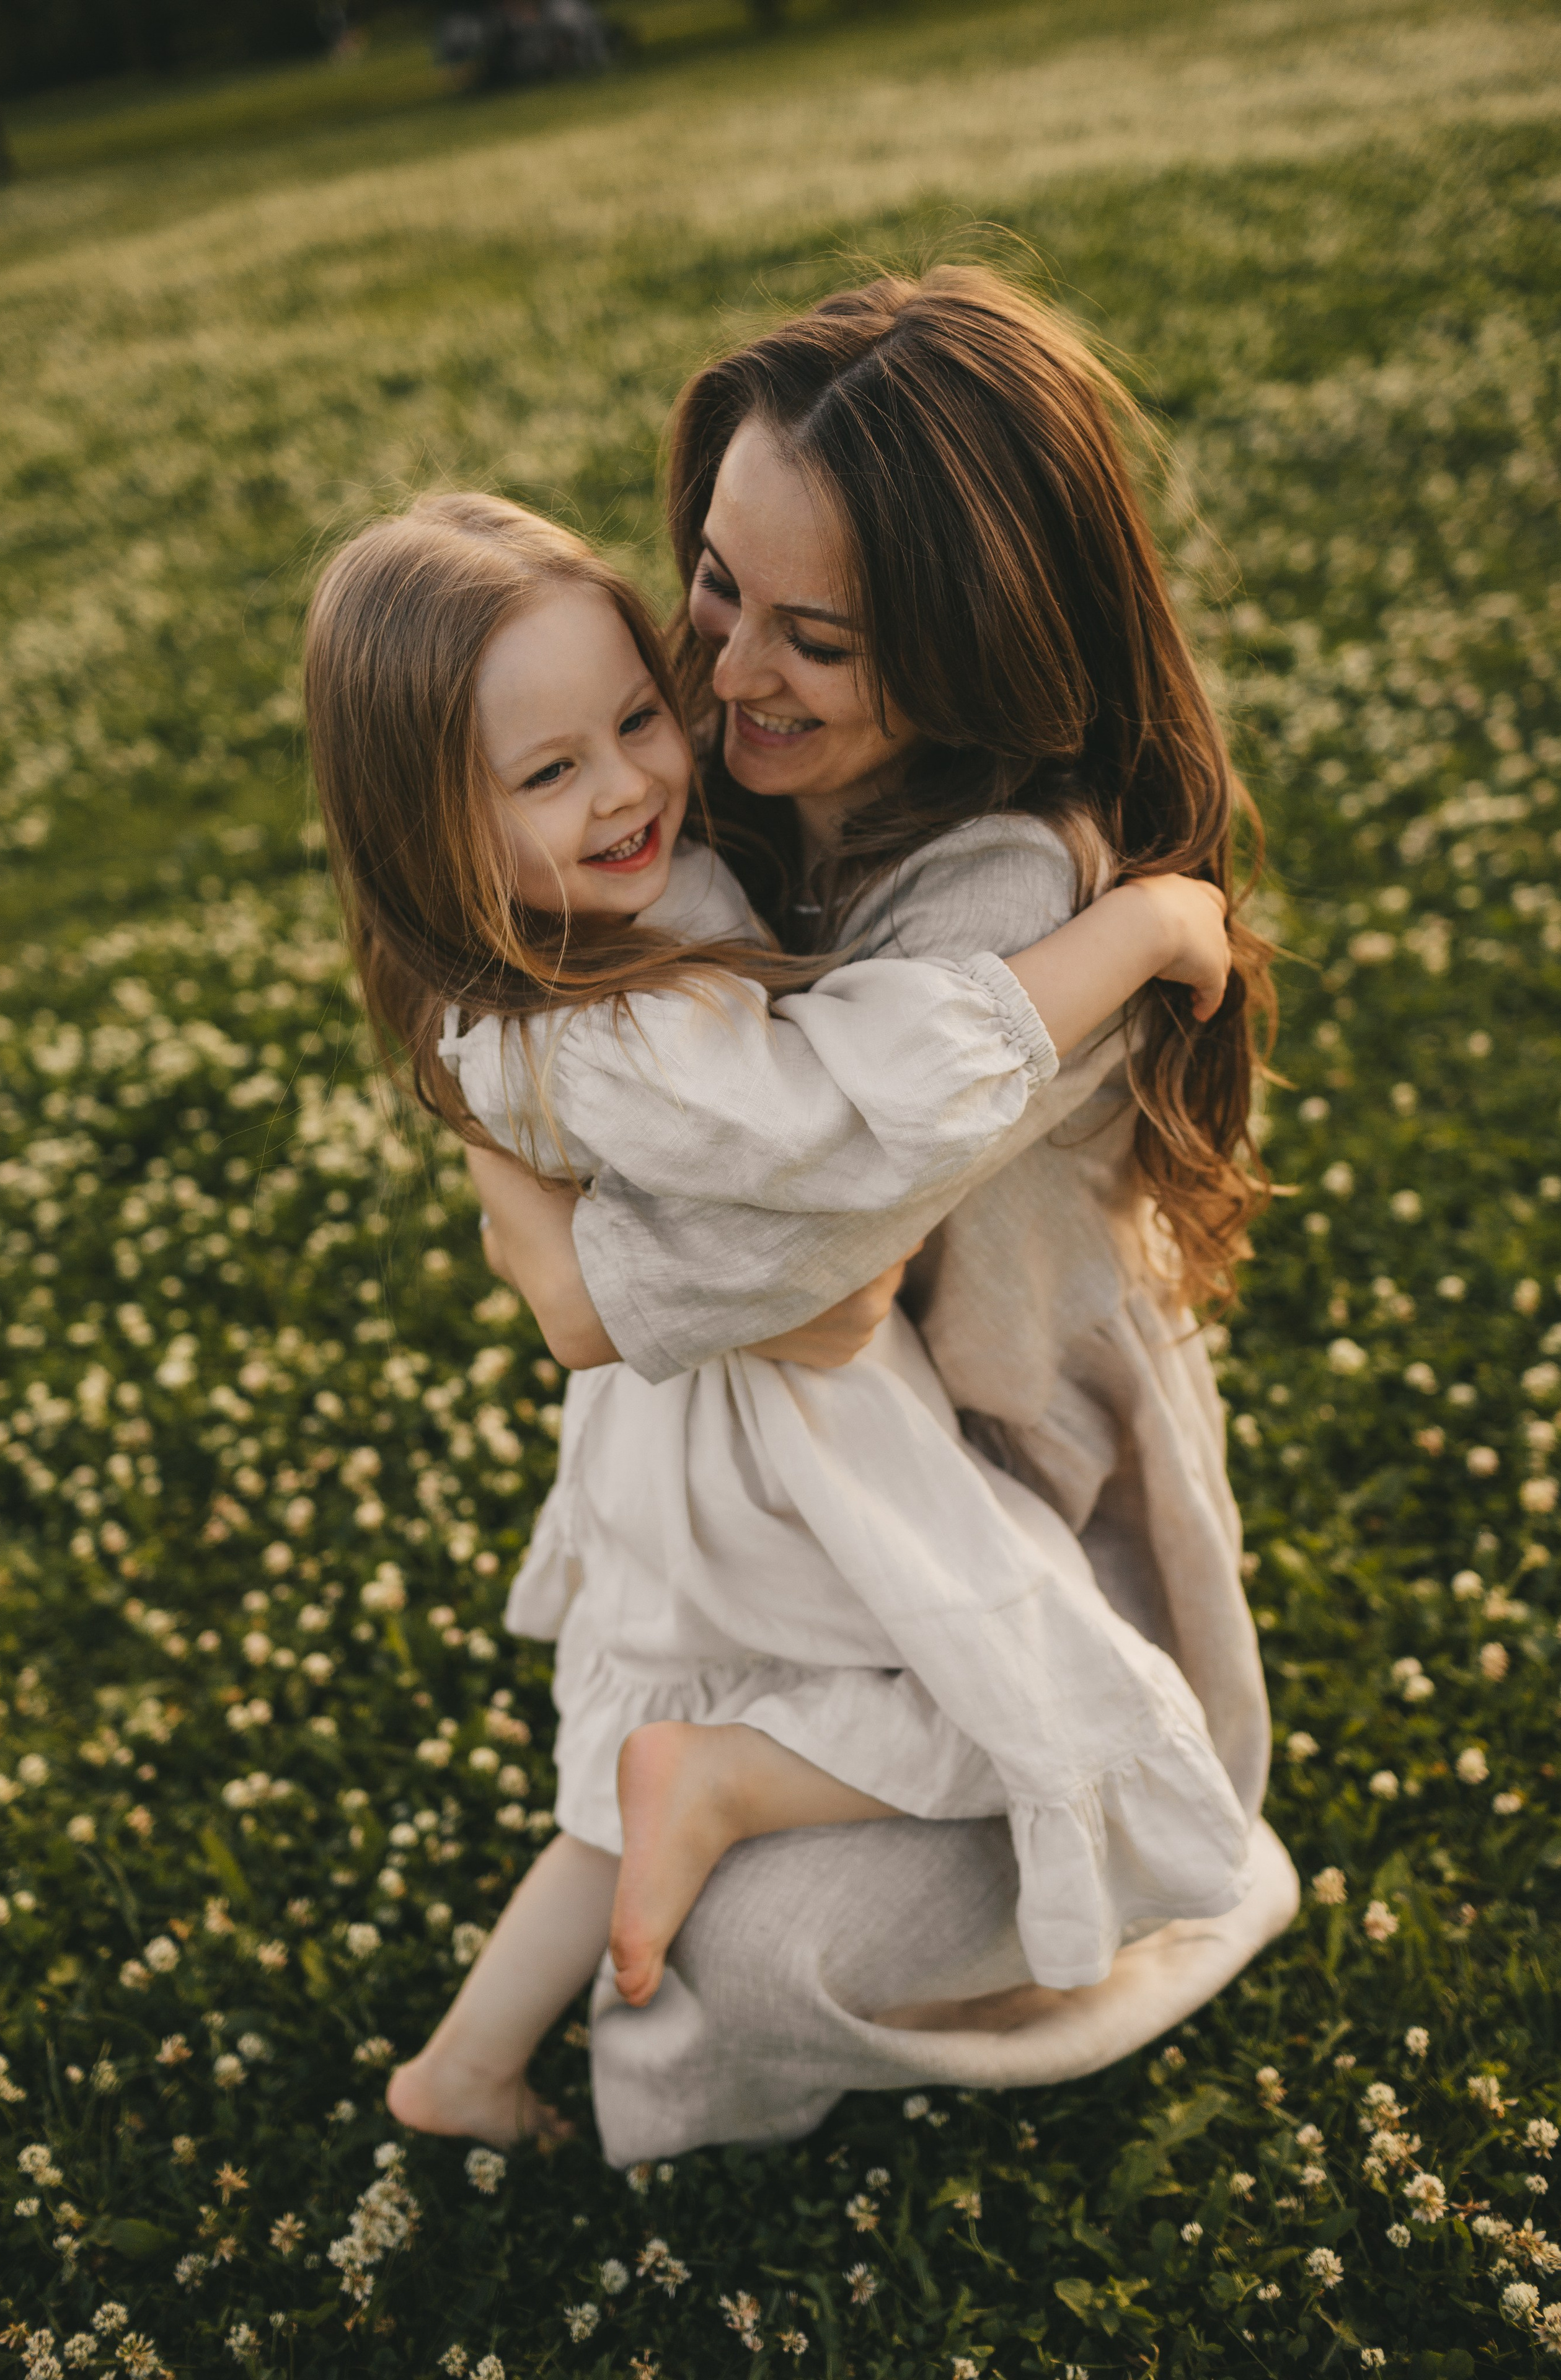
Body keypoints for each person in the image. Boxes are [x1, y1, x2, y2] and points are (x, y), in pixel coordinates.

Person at [464, 267, 1301, 2163]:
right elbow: (520, 1007)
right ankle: (737, 1780)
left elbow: (811, 1272)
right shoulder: (719, 777)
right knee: (658, 1899)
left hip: (1017, 1550)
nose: (726, 674)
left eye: (816, 639)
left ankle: (1149, 1858)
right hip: (819, 1543)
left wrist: (568, 1267)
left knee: (740, 1965)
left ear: (972, 651)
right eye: (715, 585)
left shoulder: (1015, 897)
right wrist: (504, 1139)